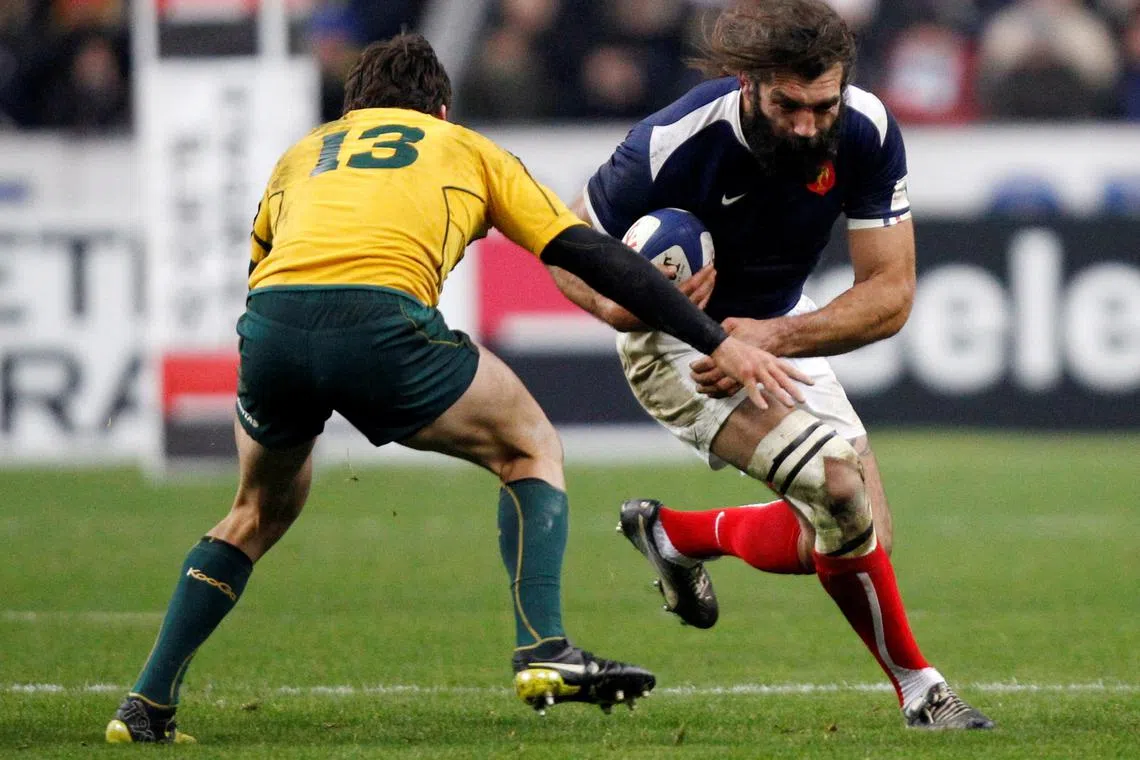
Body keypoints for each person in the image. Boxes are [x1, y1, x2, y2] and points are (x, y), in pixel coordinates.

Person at [104, 32, 811, 744]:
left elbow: (263, 264)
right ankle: (544, 649)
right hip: (379, 318)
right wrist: (714, 337)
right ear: (440, 108)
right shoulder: (464, 148)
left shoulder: (302, 154)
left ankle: (145, 706)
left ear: (353, 107)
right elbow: (581, 249)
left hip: (271, 327)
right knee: (528, 446)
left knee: (255, 511)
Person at [549, 0, 994, 730]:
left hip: (774, 329)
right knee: (835, 481)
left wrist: (773, 338)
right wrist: (620, 308)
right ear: (747, 83)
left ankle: (676, 534)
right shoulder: (670, 143)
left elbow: (892, 292)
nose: (808, 125)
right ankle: (923, 691)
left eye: (823, 105)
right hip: (678, 348)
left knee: (854, 528)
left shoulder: (866, 130)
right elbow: (565, 246)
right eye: (789, 105)